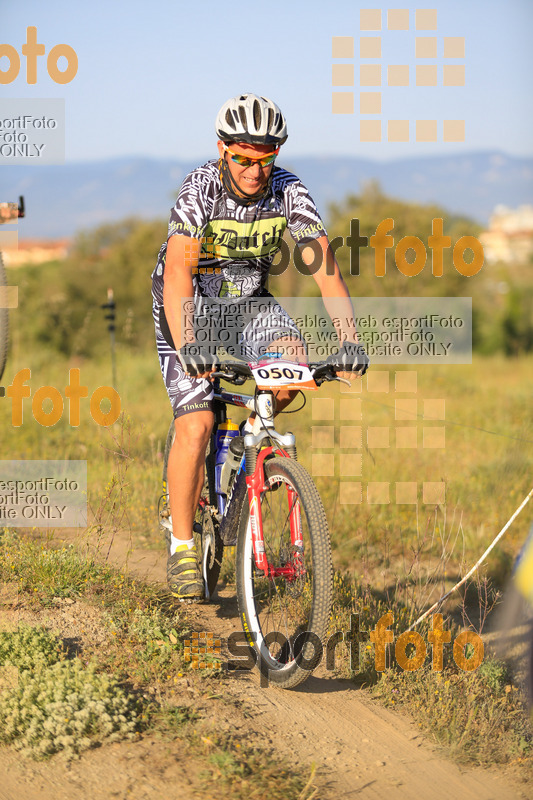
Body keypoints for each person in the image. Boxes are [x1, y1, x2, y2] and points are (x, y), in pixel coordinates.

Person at [152, 93, 368, 601]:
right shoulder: (200, 189)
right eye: (244, 158)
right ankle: (183, 544)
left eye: (265, 159)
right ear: (224, 150)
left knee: (291, 368)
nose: (254, 170)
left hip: (250, 304)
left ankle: (246, 444)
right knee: (197, 422)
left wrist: (349, 340)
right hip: (190, 304)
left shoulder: (290, 191)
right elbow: (180, 271)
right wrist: (190, 345)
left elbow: (325, 268)